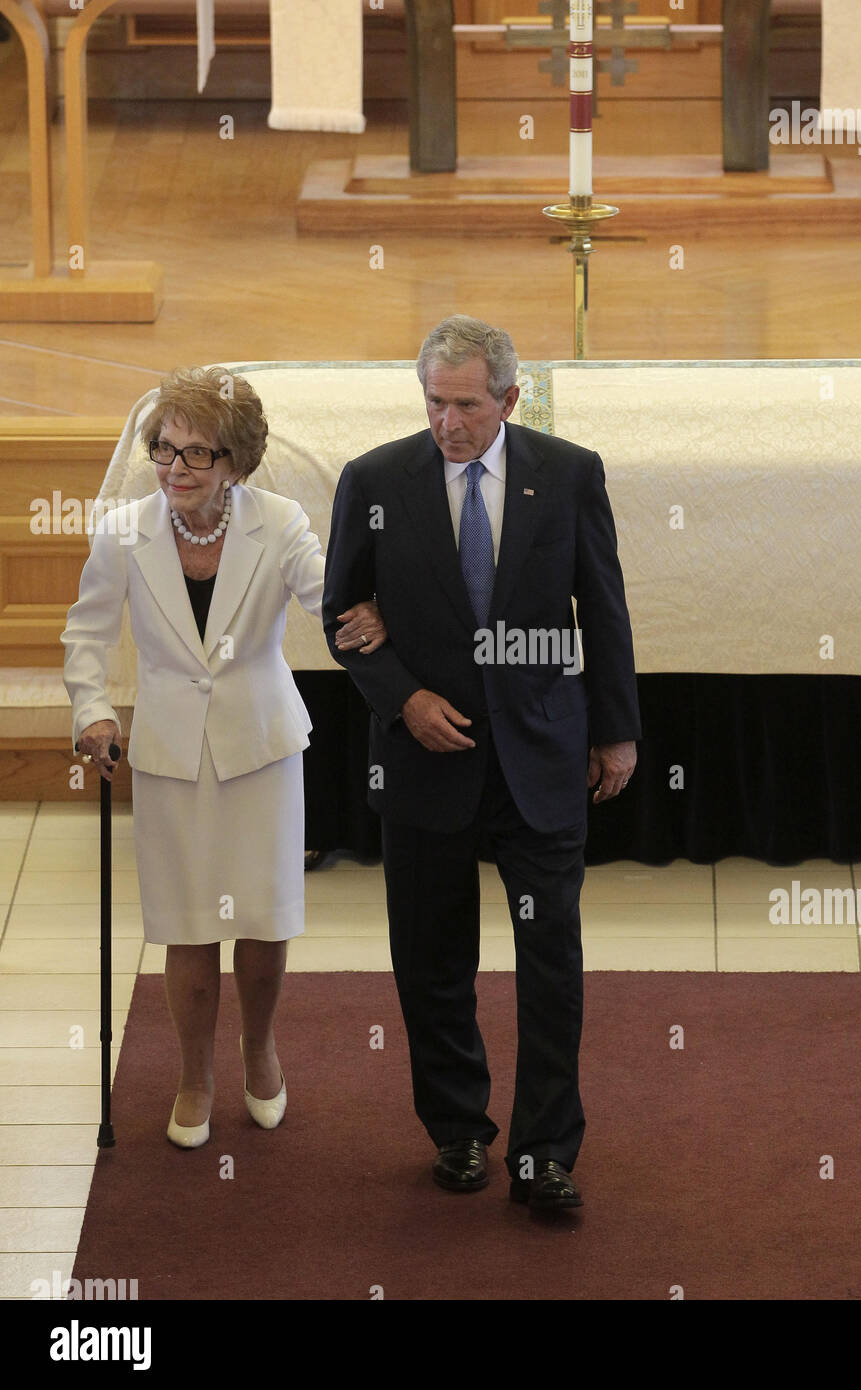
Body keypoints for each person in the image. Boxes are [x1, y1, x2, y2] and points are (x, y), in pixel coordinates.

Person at [322, 315, 640, 1210]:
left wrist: (615, 730)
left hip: (538, 756)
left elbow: (602, 608)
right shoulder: (376, 480)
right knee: (432, 961)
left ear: (507, 398)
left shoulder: (567, 473)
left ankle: (544, 1152)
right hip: (426, 761)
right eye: (433, 402)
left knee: (550, 965)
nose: (447, 422)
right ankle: (458, 1131)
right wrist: (403, 698)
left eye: (464, 404)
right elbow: (342, 616)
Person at [62, 366, 383, 1149]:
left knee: (264, 919)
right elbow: (87, 634)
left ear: (235, 461)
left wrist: (366, 614)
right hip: (172, 752)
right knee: (188, 925)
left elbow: (324, 594)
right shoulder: (124, 530)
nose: (174, 469)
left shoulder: (278, 522)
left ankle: (260, 1045)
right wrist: (94, 711)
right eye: (163, 449)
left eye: (196, 454)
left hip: (262, 747)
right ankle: (194, 1072)